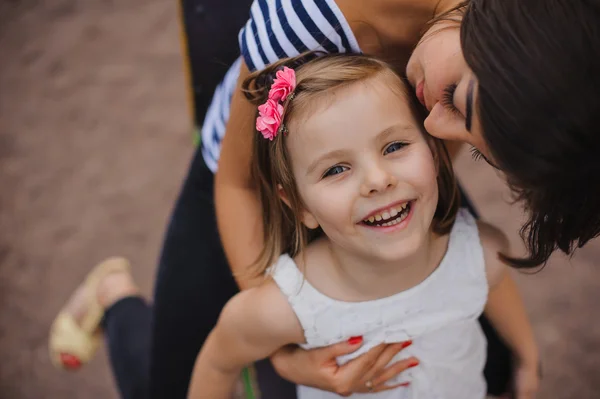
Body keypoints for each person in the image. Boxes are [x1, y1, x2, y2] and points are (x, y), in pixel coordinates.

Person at [50, 0, 600, 397]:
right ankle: (117, 299)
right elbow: (240, 185)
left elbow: (433, 157)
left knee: (496, 365)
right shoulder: (301, 20)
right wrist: (291, 351)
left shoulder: (439, 114)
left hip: (380, 175)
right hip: (252, 179)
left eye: (468, 141)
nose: (437, 122)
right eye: (455, 98)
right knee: (168, 385)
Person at [188, 53, 540, 399]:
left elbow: (495, 284)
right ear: (299, 205)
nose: (377, 180)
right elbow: (219, 363)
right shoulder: (284, 307)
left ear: (434, 152)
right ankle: (128, 300)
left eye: (395, 146)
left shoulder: (479, 252)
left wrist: (528, 357)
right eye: (336, 169)